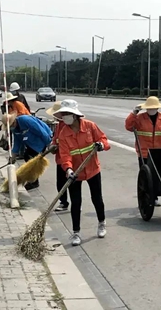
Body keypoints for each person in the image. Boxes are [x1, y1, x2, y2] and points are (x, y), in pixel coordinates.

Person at [54, 99, 110, 245]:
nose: (65, 116)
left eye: (67, 113)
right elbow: (65, 155)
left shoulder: (90, 126)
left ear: (75, 115)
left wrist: (100, 145)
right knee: (76, 202)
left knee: (97, 198)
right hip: (75, 173)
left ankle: (101, 223)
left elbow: (104, 140)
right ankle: (76, 233)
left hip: (92, 169)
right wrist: (68, 169)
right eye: (63, 114)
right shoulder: (63, 134)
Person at [124, 96, 161, 207]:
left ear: (157, 108)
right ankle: (146, 198)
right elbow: (128, 126)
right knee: (146, 176)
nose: (151, 110)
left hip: (159, 153)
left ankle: (154, 197)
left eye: (153, 108)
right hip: (144, 153)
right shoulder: (140, 118)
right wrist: (133, 113)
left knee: (157, 176)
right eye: (149, 108)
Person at [2, 113, 52, 191]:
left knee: (32, 158)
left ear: (14, 121)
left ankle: (34, 182)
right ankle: (32, 180)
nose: (11, 127)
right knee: (27, 157)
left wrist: (49, 143)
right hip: (30, 142)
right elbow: (17, 142)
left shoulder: (26, 120)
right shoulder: (15, 129)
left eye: (11, 125)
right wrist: (13, 156)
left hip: (40, 139)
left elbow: (41, 131)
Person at [46, 101, 69, 212]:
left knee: (71, 183)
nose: (54, 116)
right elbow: (56, 139)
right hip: (60, 160)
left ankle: (74, 203)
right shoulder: (59, 125)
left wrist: (58, 145)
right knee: (60, 183)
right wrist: (53, 145)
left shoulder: (69, 126)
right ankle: (63, 202)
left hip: (69, 160)